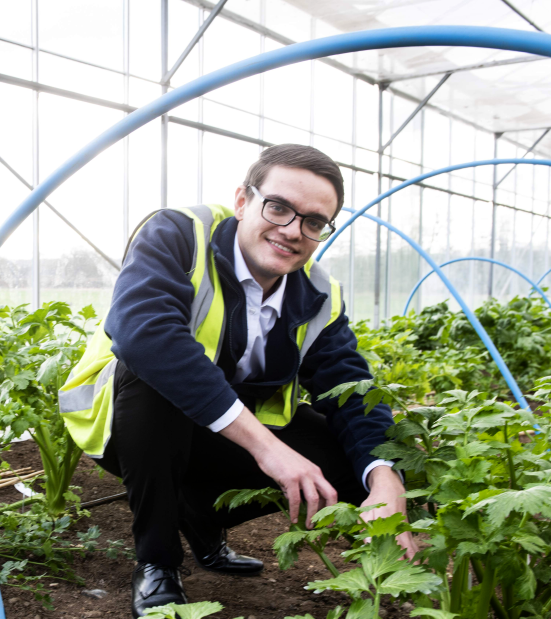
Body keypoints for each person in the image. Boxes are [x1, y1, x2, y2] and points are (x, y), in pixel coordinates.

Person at [58, 144, 416, 618]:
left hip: (219, 431)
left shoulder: (318, 292)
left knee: (346, 457)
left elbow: (349, 388)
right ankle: (158, 563)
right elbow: (144, 335)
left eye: (313, 221)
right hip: (128, 424)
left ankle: (201, 515)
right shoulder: (178, 234)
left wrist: (386, 479)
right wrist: (271, 450)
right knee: (156, 380)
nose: (292, 230)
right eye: (279, 207)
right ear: (244, 201)